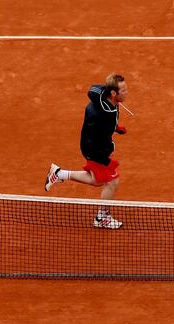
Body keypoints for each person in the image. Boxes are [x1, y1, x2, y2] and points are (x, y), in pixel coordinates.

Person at [44, 73, 129, 230]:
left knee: (98, 181)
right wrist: (106, 159)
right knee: (112, 181)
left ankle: (60, 173)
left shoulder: (104, 99)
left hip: (93, 143)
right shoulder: (106, 114)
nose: (127, 92)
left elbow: (94, 89)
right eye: (123, 90)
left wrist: (116, 128)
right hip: (94, 149)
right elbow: (101, 133)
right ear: (113, 93)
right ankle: (102, 218)